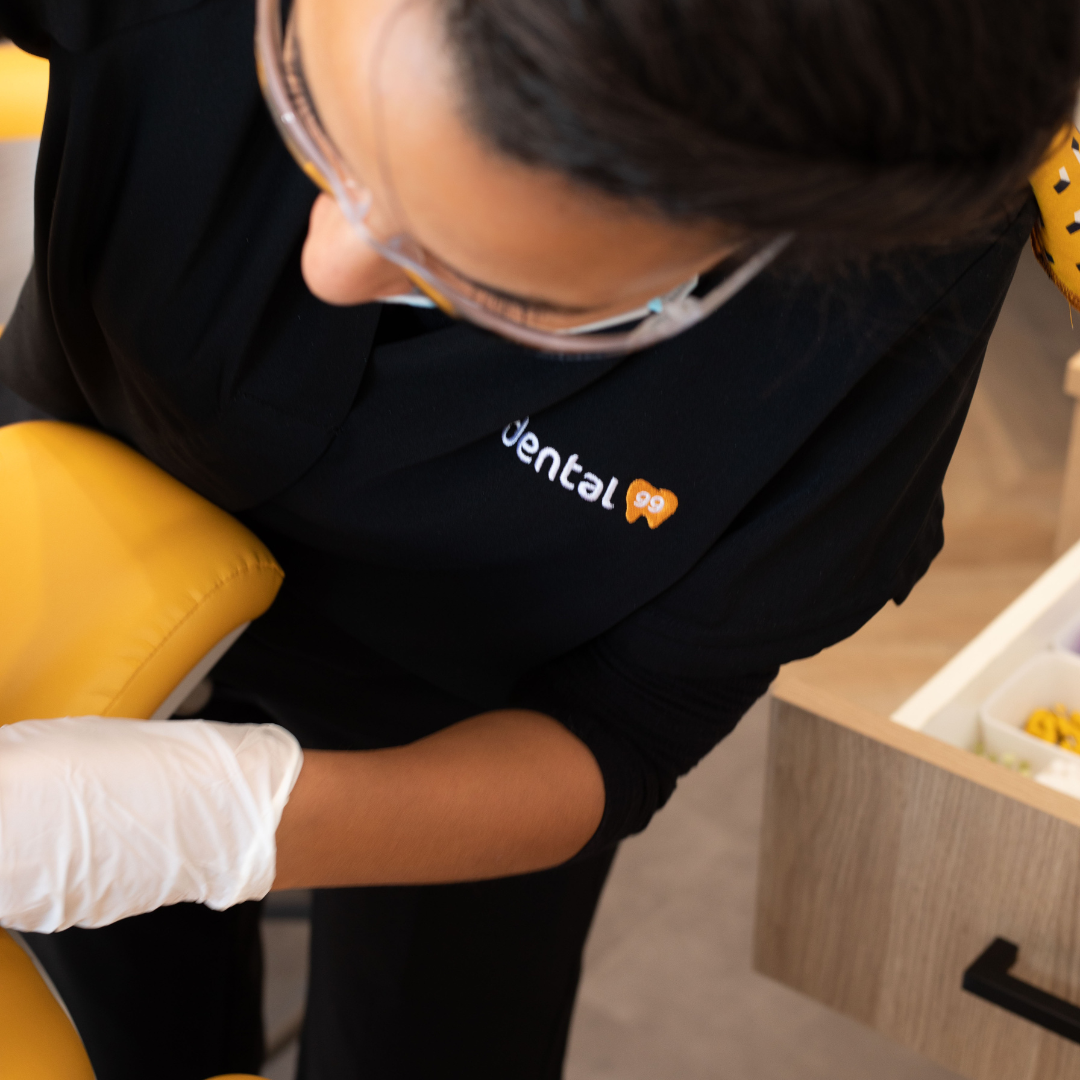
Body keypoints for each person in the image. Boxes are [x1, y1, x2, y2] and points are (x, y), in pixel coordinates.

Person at [0, 0, 1078, 1076]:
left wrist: (215, 823)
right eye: (310, 115)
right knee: (115, 999)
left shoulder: (868, 299)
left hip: (474, 719)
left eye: (467, 273)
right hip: (101, 481)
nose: (327, 263)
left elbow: (629, 726)